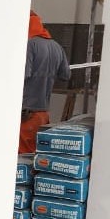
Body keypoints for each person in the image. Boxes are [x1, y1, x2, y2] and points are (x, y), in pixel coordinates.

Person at [19, 10, 70, 154]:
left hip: (26, 114)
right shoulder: (56, 46)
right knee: (37, 154)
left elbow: (23, 75)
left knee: (22, 159)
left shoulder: (30, 45)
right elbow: (65, 75)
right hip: (43, 113)